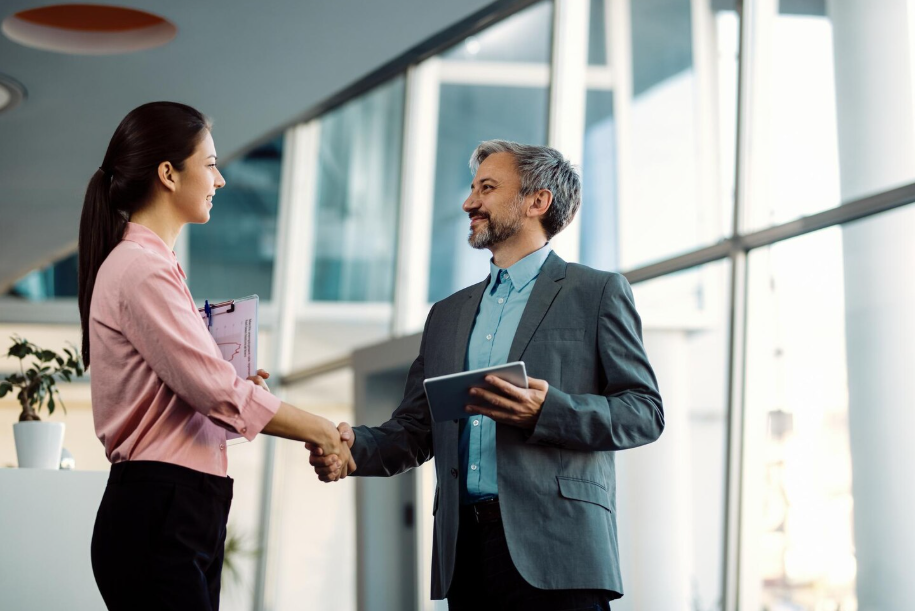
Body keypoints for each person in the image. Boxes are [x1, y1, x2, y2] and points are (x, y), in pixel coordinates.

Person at [308, 140, 664, 610]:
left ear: (537, 201)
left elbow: (644, 412)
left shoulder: (596, 293)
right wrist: (355, 448)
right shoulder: (447, 315)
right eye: (473, 188)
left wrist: (548, 410)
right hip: (466, 553)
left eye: (487, 188)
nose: (468, 202)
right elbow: (416, 428)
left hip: (560, 551)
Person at [78, 101, 355, 611]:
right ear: (168, 174)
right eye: (209, 164)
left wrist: (241, 389)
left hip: (176, 505)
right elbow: (214, 392)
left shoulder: (152, 266)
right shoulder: (141, 269)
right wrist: (319, 430)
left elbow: (201, 398)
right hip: (161, 507)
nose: (220, 180)